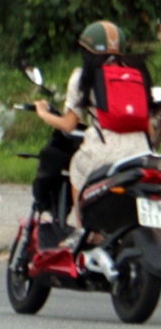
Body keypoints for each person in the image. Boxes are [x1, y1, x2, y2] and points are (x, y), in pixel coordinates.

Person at [33, 21, 154, 229]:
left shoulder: (82, 76)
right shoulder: (137, 74)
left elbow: (69, 125)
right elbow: (149, 127)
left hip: (104, 152)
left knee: (76, 167)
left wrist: (42, 112)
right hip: (142, 152)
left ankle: (83, 230)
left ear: (86, 50)